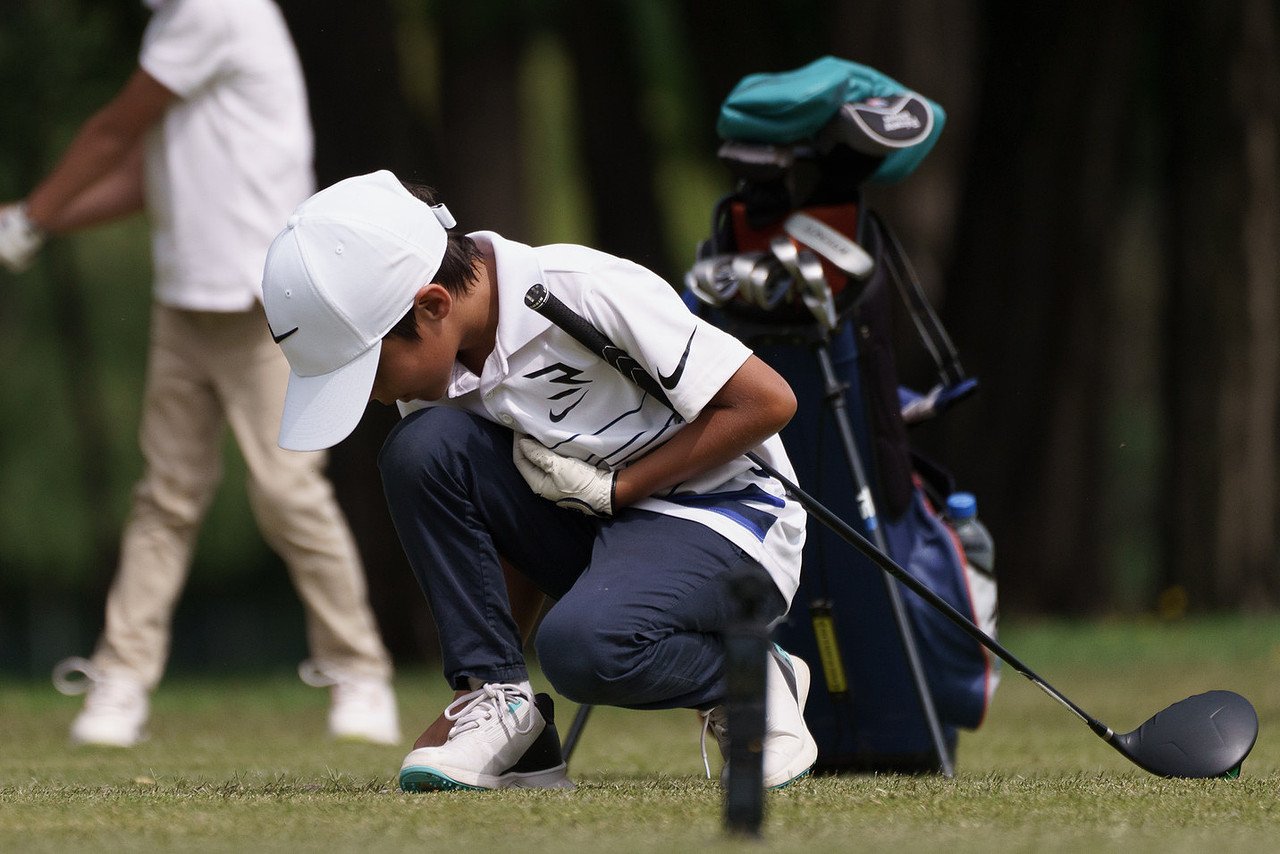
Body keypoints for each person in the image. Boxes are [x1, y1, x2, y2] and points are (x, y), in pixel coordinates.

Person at [258, 169, 819, 791]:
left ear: (433, 305)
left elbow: (767, 402)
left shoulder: (582, 289)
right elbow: (498, 536)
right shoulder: (436, 375)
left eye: (369, 369)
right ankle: (506, 718)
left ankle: (756, 682)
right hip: (603, 530)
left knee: (582, 651)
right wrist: (492, 677)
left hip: (728, 519)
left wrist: (620, 488)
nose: (373, 395)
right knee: (421, 448)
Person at [0, 0, 398, 747]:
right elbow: (145, 179)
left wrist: (26, 223)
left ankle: (360, 670)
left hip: (262, 304)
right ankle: (121, 679)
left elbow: (113, 128)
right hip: (185, 304)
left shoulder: (215, 9)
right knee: (167, 496)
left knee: (286, 491)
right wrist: (33, 219)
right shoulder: (172, 23)